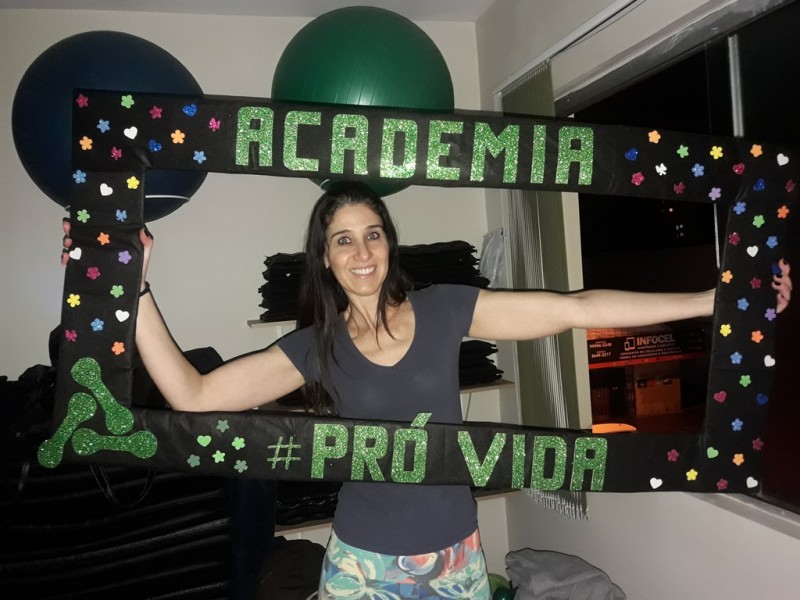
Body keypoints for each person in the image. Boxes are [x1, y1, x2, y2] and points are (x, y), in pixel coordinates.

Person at [62, 181, 792, 599]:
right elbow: (192, 395)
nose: (361, 251)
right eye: (343, 239)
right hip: (361, 565)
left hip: (454, 558)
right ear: (325, 257)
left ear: (390, 243)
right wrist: (133, 286)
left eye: (373, 234)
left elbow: (577, 308)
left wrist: (711, 300)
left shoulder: (444, 309)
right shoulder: (314, 346)